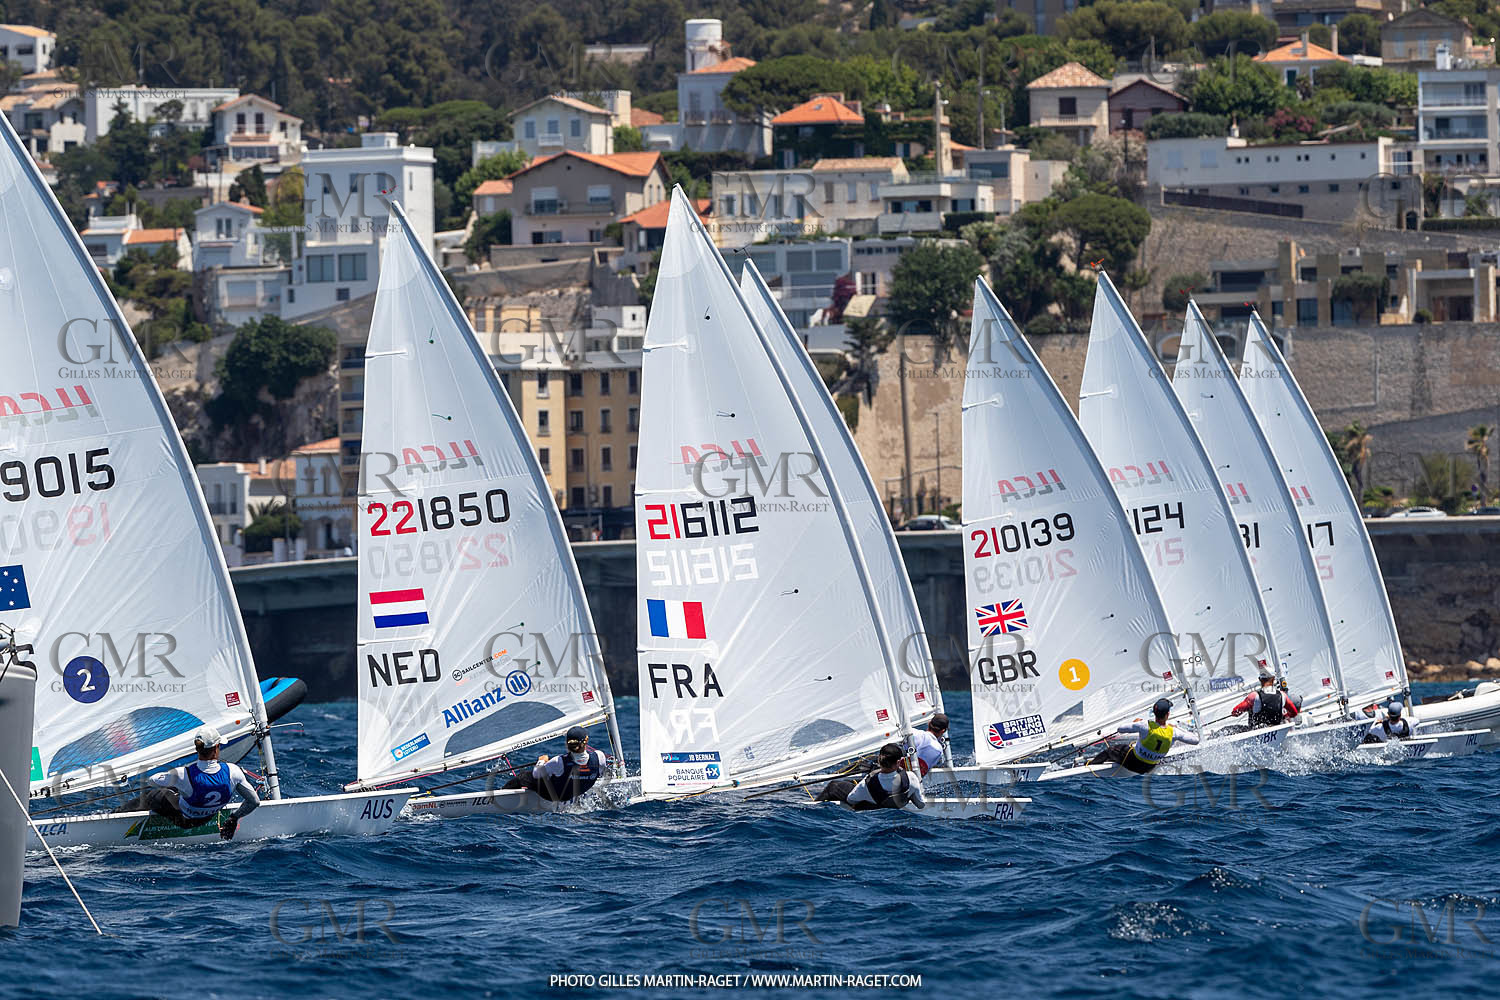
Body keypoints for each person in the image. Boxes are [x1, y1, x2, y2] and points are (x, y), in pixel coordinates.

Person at [117, 725, 260, 839]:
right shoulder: (233, 771)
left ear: (197, 749)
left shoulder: (183, 774)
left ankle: (115, 815)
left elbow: (153, 780)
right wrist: (234, 818)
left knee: (155, 794)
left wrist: (174, 780)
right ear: (217, 748)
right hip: (206, 819)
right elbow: (254, 802)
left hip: (184, 820)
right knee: (180, 789)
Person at [1089, 698, 1201, 774]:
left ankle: (1090, 765)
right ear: (1168, 714)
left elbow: (1120, 729)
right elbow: (1196, 740)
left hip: (1133, 763)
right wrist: (1177, 728)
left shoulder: (1144, 725)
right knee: (1132, 748)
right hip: (1149, 768)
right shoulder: (1175, 732)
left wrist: (1136, 723)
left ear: (1154, 712)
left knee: (1111, 751)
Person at [504, 726, 609, 802]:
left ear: (567, 743)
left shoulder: (559, 761)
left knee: (523, 777)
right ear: (586, 741)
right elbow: (601, 772)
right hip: (577, 792)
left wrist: (542, 761)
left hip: (554, 796)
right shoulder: (599, 757)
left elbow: (536, 774)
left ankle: (497, 796)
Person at [838, 743, 926, 811]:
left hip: (874, 817)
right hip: (897, 815)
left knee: (835, 786)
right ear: (898, 762)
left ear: (879, 760)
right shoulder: (911, 778)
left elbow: (851, 800)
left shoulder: (867, 784)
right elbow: (921, 805)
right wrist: (910, 794)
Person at [1230, 669, 1299, 728]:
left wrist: (1247, 709)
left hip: (1257, 732)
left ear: (1260, 679)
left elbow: (1235, 711)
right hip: (1276, 729)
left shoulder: (1253, 696)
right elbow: (1294, 713)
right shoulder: (1283, 695)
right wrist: (1284, 716)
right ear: (1273, 678)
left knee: (1226, 730)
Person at [908, 713, 949, 778]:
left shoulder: (913, 733)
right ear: (943, 731)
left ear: (929, 723)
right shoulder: (939, 750)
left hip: (895, 771)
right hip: (914, 778)